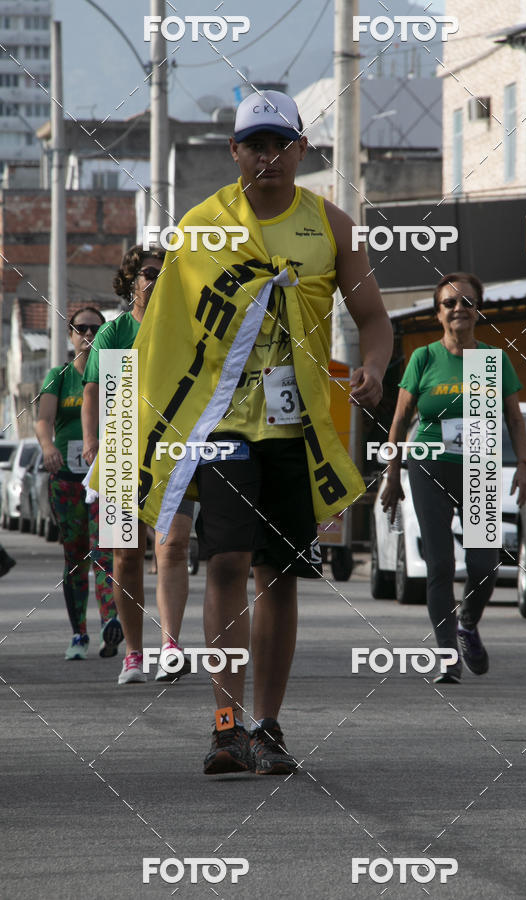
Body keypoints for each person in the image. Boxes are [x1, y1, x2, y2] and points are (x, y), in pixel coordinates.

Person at [127, 89, 393, 774]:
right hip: (221, 425)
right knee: (224, 563)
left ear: (302, 150)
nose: (267, 157)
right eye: (254, 145)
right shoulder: (203, 227)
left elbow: (373, 318)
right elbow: (164, 334)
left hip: (294, 426)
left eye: (280, 144)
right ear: (234, 152)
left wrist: (372, 367)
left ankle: (268, 727)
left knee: (280, 576)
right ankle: (224, 726)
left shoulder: (331, 225)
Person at [381, 272, 526, 683]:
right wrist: (392, 475)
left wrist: (523, 466)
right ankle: (447, 656)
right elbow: (399, 421)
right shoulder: (424, 358)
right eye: (450, 303)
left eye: (467, 302)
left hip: (480, 466)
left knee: (484, 564)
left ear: (478, 311)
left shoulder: (492, 360)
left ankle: (467, 623)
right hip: (428, 465)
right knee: (440, 563)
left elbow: (514, 420)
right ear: (438, 313)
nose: (459, 309)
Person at [81, 245, 193, 684]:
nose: (157, 279)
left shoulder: (183, 329)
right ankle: (134, 652)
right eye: (149, 273)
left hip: (174, 450)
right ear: (132, 282)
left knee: (173, 546)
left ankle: (170, 645)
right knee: (126, 557)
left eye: (165, 273)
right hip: (123, 446)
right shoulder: (115, 332)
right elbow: (95, 392)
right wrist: (92, 440)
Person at [35, 307, 121, 660]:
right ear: (70, 335)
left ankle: (110, 626)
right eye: (80, 328)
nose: (87, 333)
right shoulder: (60, 375)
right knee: (76, 556)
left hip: (105, 476)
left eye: (95, 328)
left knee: (104, 553)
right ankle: (79, 635)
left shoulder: (113, 373)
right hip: (68, 479)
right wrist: (47, 446)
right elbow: (43, 419)